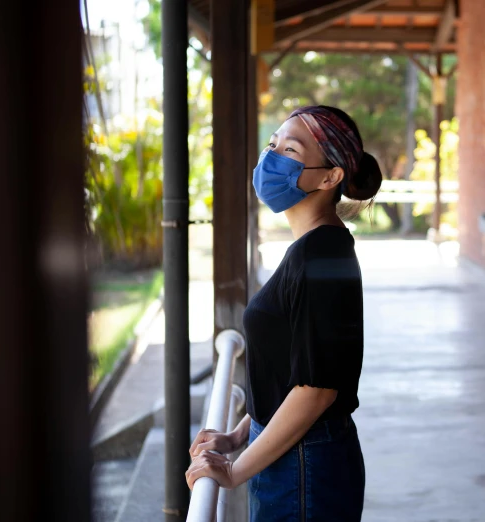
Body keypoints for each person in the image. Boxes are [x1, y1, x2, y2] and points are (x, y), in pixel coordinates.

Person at [185, 105, 382, 521]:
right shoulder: (311, 248)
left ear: (330, 177)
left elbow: (316, 390)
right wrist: (240, 434)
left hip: (304, 465)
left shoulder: (322, 255)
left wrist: (234, 471)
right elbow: (287, 369)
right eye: (272, 143)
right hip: (289, 453)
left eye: (290, 150)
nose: (270, 157)